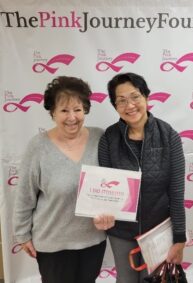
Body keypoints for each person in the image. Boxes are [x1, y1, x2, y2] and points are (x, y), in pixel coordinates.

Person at [13, 76, 114, 283]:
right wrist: (22, 235)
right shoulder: (38, 147)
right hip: (52, 244)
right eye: (64, 110)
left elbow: (113, 184)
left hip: (92, 241)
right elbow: (24, 195)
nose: (72, 117)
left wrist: (112, 211)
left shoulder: (100, 138)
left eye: (77, 109)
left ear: (85, 109)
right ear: (52, 113)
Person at [93, 72, 186, 283]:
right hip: (121, 231)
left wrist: (179, 238)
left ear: (146, 97)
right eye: (122, 100)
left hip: (158, 231)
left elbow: (176, 191)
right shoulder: (109, 139)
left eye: (135, 96)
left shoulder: (169, 135)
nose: (130, 105)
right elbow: (105, 189)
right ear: (115, 106)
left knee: (153, 279)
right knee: (125, 279)